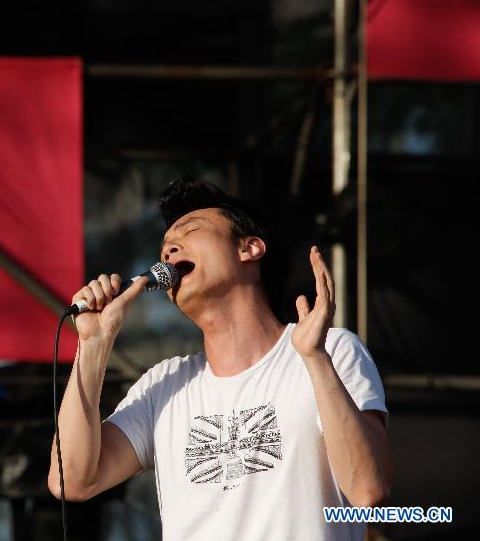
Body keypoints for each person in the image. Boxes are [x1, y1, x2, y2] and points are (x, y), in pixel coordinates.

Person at [49, 177, 392, 540]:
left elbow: (368, 491)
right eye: (164, 248)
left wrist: (315, 360)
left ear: (250, 248)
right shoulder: (163, 385)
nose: (168, 252)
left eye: (190, 231)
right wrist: (93, 344)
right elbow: (72, 481)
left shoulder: (330, 349)